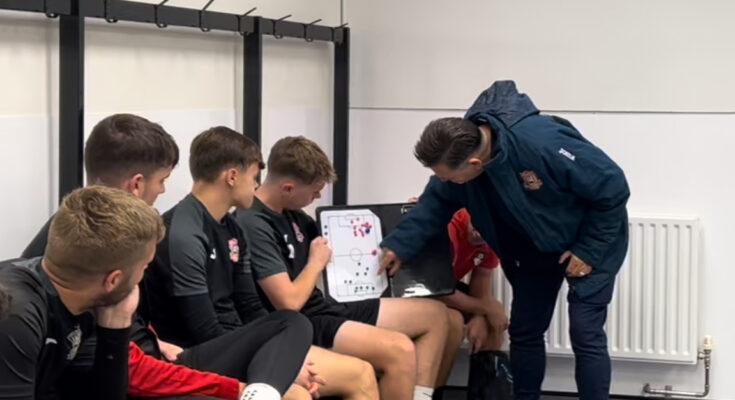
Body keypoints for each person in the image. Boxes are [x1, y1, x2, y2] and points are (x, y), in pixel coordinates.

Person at [21, 115, 318, 400]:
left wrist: (154, 342)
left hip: (152, 356)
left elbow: (122, 328)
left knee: (292, 326)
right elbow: (119, 360)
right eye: (162, 180)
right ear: (136, 184)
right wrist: (236, 387)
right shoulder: (90, 247)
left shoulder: (87, 233)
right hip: (136, 374)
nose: (163, 191)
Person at [380, 81, 630, 400]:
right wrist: (398, 245)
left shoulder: (541, 142)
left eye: (448, 176)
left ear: (473, 165)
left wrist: (590, 249)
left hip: (592, 238)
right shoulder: (461, 163)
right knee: (525, 331)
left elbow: (612, 187)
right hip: (532, 246)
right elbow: (434, 204)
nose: (444, 182)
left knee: (585, 332)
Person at [145, 126, 378, 400]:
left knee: (360, 372)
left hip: (238, 342)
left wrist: (283, 353)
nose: (256, 186)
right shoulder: (183, 233)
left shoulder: (233, 227)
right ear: (232, 176)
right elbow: (203, 331)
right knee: (300, 394)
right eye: (254, 177)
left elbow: (250, 306)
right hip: (199, 354)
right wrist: (277, 361)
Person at [236, 136, 460, 400]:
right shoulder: (254, 223)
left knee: (438, 315)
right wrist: (315, 262)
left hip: (327, 305)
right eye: (314, 191)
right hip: (302, 321)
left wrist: (398, 234)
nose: (317, 197)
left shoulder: (293, 213)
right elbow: (289, 302)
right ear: (287, 188)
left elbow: (342, 246)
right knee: (400, 349)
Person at [0, 186, 164, 400]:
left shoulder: (79, 301)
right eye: (145, 266)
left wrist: (115, 328)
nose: (143, 275)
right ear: (113, 280)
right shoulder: (15, 315)